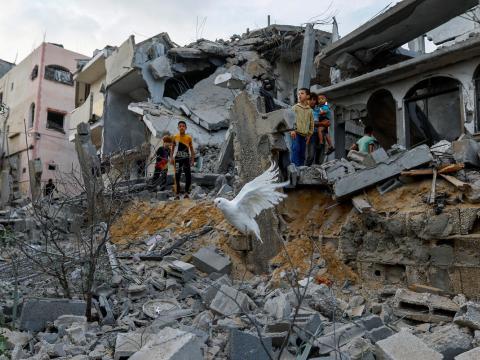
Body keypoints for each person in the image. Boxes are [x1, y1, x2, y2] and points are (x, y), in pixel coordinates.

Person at [170, 121, 195, 198]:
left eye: (183, 126)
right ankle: (177, 194)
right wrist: (171, 158)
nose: (181, 127)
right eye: (180, 126)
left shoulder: (189, 138)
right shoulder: (175, 137)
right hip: (177, 160)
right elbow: (172, 148)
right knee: (177, 175)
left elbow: (191, 149)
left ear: (186, 128)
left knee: (188, 175)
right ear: (178, 128)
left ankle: (186, 193)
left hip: (186, 159)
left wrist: (192, 159)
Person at [291, 88, 314, 167]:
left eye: (302, 93)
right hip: (296, 133)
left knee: (302, 153)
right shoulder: (295, 107)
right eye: (298, 94)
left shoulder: (310, 110)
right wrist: (292, 130)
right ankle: (295, 168)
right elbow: (291, 119)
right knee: (296, 149)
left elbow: (312, 124)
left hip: (304, 135)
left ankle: (301, 169)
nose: (299, 95)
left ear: (307, 96)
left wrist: (309, 135)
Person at [305, 92, 322, 166]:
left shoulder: (318, 110)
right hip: (310, 134)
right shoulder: (305, 110)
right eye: (310, 99)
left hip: (319, 134)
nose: (312, 101)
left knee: (319, 155)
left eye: (314, 99)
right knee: (311, 155)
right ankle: (305, 170)